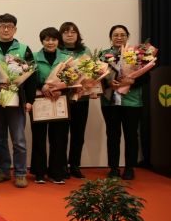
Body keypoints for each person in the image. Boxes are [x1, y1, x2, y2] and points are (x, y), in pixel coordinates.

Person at [0, 13, 36, 189]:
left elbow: (31, 75)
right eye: (2, 26)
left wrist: (30, 100)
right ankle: (3, 170)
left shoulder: (24, 49)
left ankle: (20, 173)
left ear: (15, 29)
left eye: (9, 26)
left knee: (18, 139)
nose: (6, 29)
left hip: (18, 100)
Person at [100, 25, 146, 180]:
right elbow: (96, 78)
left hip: (132, 102)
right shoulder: (103, 55)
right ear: (110, 38)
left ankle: (129, 168)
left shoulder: (138, 54)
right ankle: (113, 168)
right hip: (110, 102)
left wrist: (131, 82)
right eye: (115, 35)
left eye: (122, 35)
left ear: (127, 37)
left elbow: (145, 77)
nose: (119, 38)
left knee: (131, 135)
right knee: (112, 135)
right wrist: (108, 83)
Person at [30, 27, 69, 184]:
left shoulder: (67, 59)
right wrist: (42, 86)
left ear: (58, 41)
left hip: (60, 101)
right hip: (40, 100)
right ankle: (39, 172)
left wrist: (60, 88)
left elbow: (73, 79)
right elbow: (28, 78)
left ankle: (57, 172)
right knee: (39, 137)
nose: (50, 42)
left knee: (59, 138)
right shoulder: (33, 57)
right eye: (46, 39)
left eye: (53, 39)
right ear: (42, 41)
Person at [59, 22, 89, 179]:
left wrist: (88, 86)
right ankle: (61, 165)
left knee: (78, 133)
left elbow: (92, 74)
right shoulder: (57, 51)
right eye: (66, 32)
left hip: (81, 98)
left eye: (73, 32)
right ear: (61, 35)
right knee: (61, 134)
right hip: (62, 98)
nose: (70, 35)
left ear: (78, 35)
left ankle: (75, 165)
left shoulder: (85, 51)